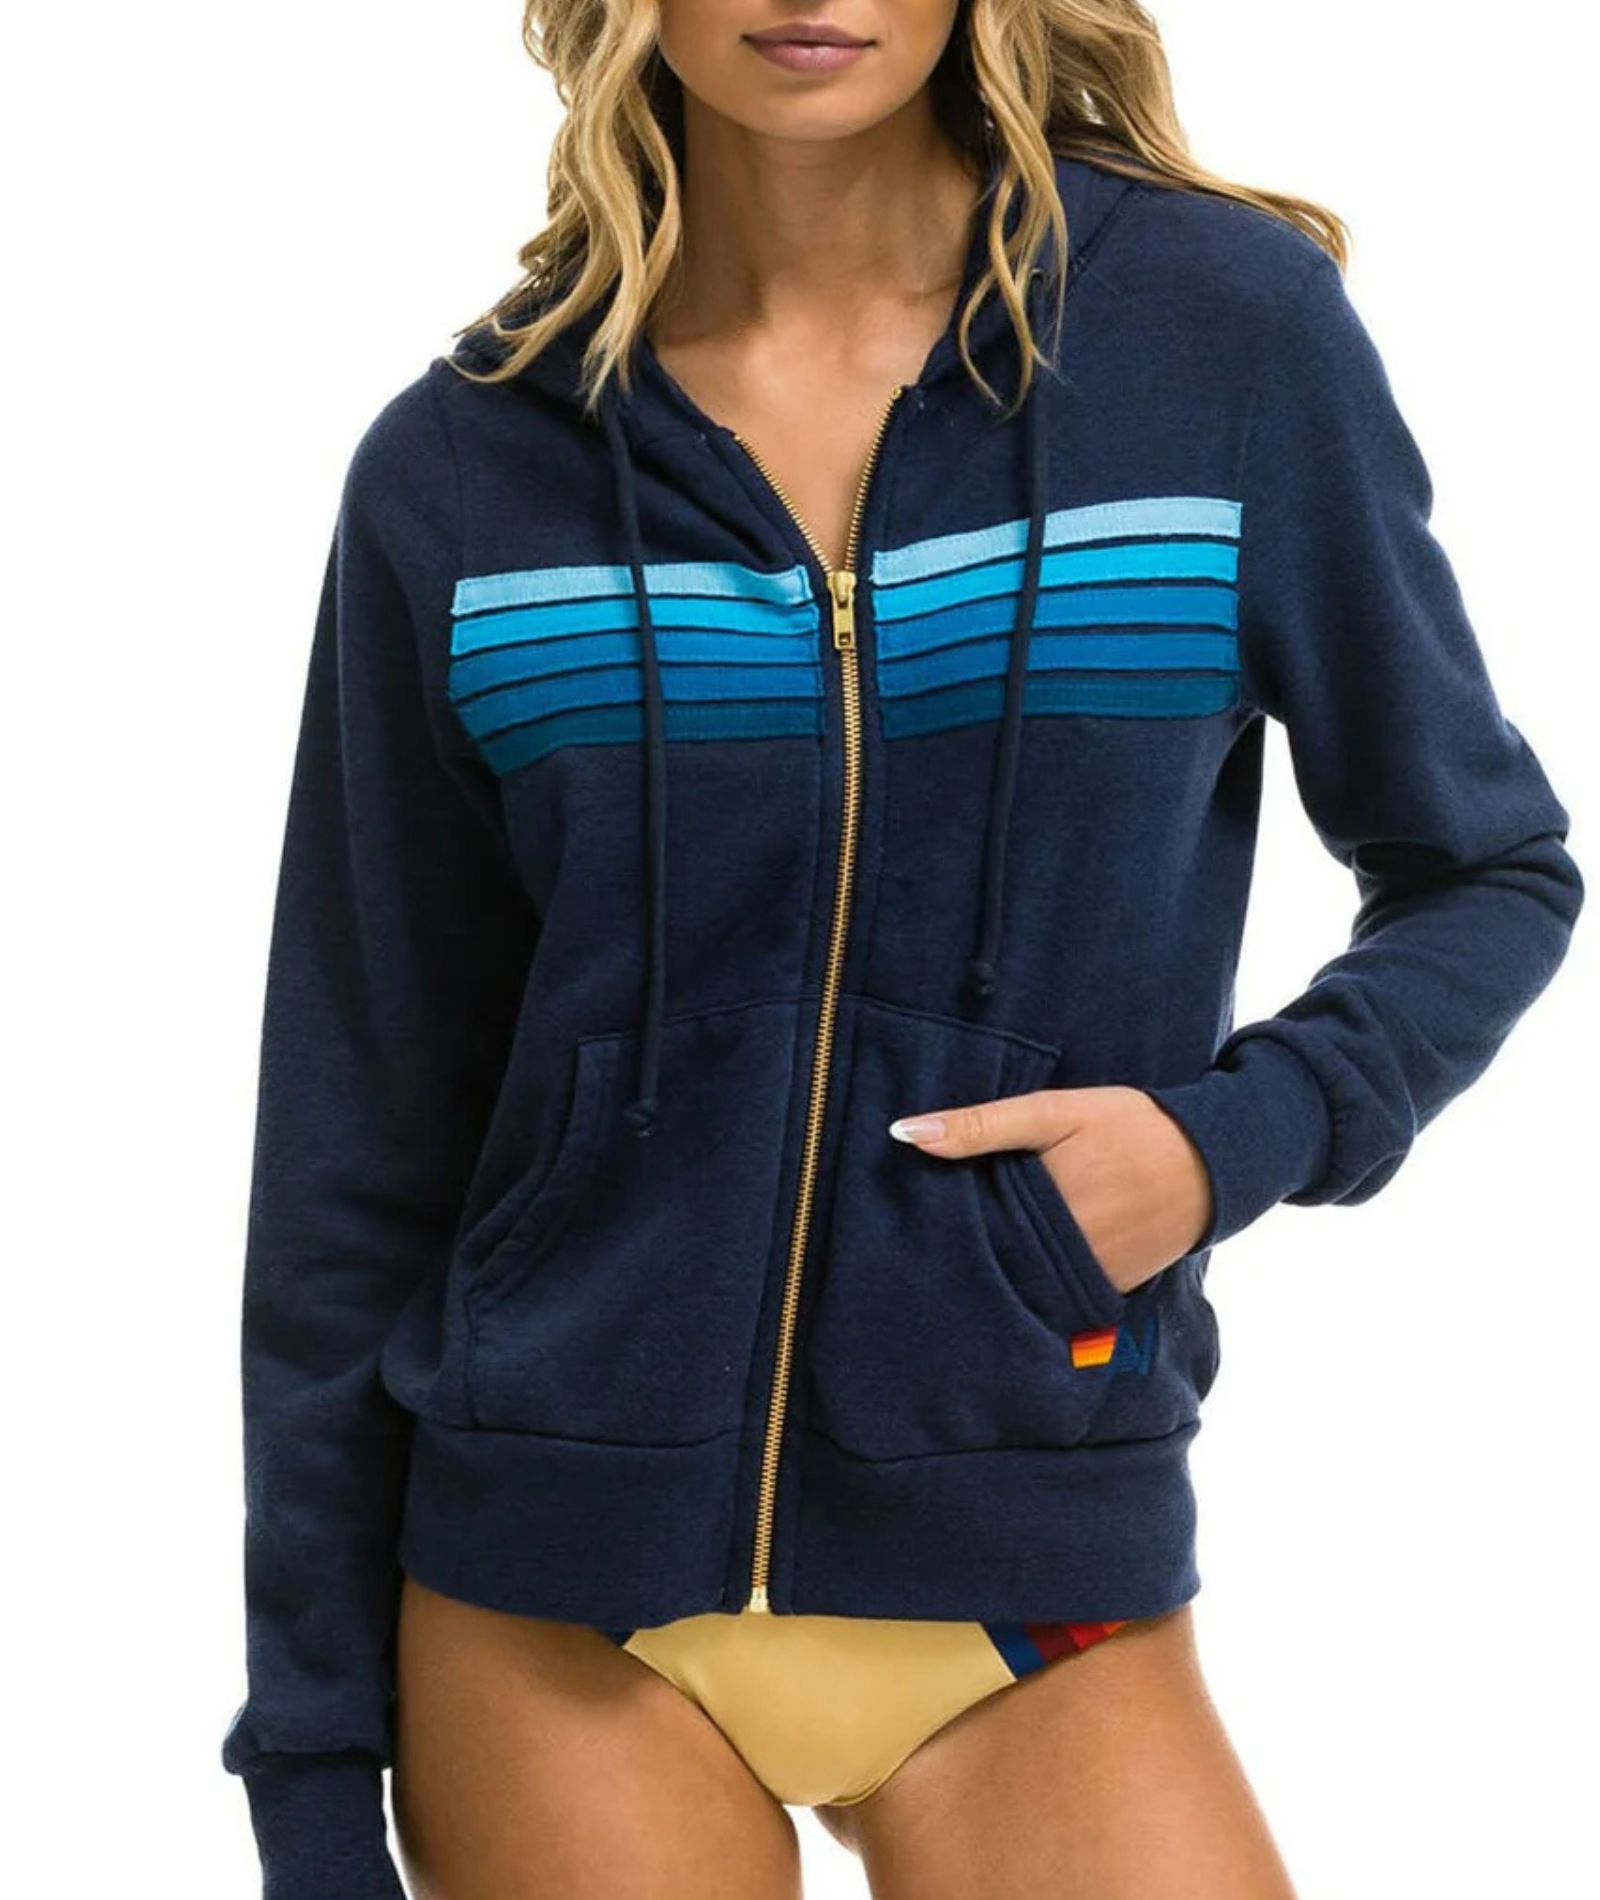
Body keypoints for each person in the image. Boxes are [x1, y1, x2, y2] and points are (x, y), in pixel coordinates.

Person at [218, 0, 1585, 1893]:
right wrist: (310, 1775)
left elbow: (1487, 865)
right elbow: (356, 1141)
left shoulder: (1219, 341)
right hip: (548, 1587)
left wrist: (1223, 1145)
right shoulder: (466, 467)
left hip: (1030, 1558)